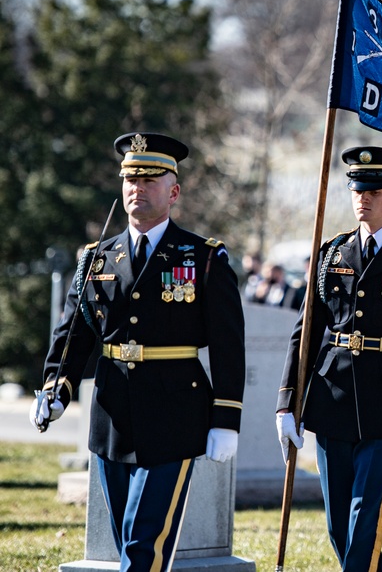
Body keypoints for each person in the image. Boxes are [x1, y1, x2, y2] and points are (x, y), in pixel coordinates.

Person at [30, 132, 245, 570]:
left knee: (145, 545)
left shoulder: (203, 257)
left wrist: (227, 419)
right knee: (125, 539)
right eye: (130, 179)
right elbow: (72, 335)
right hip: (113, 416)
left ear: (174, 191)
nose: (138, 188)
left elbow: (228, 345)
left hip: (175, 414)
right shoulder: (97, 259)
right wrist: (56, 388)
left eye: (150, 179)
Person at [275, 146, 382, 572]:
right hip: (330, 395)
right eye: (358, 189)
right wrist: (287, 402)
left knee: (365, 517)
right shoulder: (332, 254)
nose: (364, 198)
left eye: (375, 190)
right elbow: (306, 330)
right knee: (339, 525)